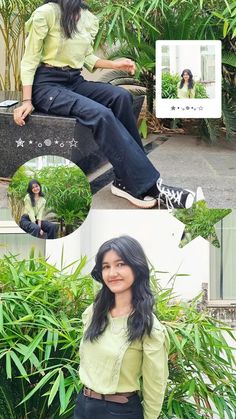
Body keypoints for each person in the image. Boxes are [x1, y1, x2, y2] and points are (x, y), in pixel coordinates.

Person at [14, 0, 199, 209]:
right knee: (100, 114)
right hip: (47, 85)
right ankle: (147, 186)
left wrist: (115, 64)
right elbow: (29, 59)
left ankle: (125, 179)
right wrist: (27, 100)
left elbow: (85, 58)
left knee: (121, 97)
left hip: (74, 81)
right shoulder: (46, 13)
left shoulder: (86, 16)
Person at [75, 235, 170, 419]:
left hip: (120, 411)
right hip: (83, 405)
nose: (112, 273)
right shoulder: (93, 313)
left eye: (120, 264)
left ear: (136, 268)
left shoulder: (148, 326)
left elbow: (155, 384)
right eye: (106, 266)